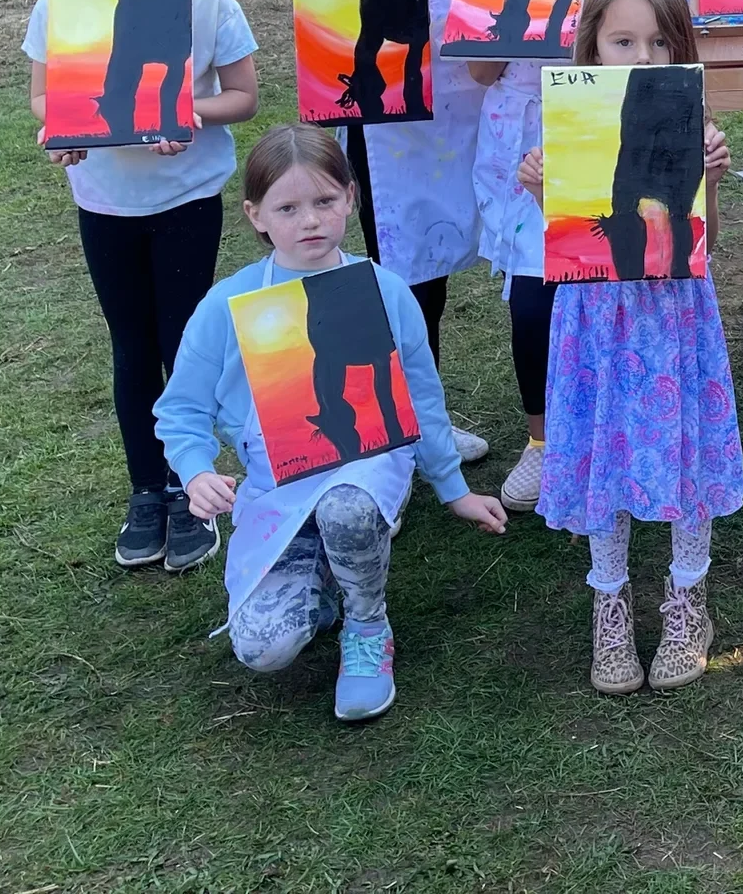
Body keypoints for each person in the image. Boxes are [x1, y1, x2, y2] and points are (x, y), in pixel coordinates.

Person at [155, 126, 508, 722]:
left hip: (367, 466)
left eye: (324, 201)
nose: (310, 221)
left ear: (350, 198)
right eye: (288, 208)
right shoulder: (227, 306)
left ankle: (368, 623)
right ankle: (326, 580)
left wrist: (454, 490)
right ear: (256, 215)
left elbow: (421, 396)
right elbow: (180, 408)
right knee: (263, 648)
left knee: (346, 504)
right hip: (282, 485)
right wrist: (195, 473)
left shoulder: (385, 290)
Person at [23, 0, 258, 574]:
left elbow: (243, 96)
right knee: (131, 350)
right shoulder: (68, 2)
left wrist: (189, 114)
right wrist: (58, 133)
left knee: (181, 345)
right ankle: (146, 488)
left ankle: (196, 489)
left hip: (185, 200)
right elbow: (44, 93)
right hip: (105, 203)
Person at [514, 0, 743, 692]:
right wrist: (538, 184)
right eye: (623, 41)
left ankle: (687, 599)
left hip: (674, 317)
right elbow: (571, 225)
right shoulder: (570, 124)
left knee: (682, 446)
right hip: (597, 322)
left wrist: (709, 170)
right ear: (592, 50)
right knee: (603, 447)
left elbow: (699, 238)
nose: (642, 59)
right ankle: (607, 602)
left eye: (658, 42)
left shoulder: (692, 123)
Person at [468, 0, 641, 513]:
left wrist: (574, 26)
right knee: (533, 296)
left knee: (597, 282)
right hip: (515, 139)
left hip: (591, 128)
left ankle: (608, 429)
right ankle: (541, 441)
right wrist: (515, 21)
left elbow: (630, 47)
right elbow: (479, 70)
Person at [336, 0, 490, 464]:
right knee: (409, 282)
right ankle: (408, 427)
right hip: (396, 143)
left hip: (487, 128)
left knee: (523, 263)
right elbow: (347, 52)